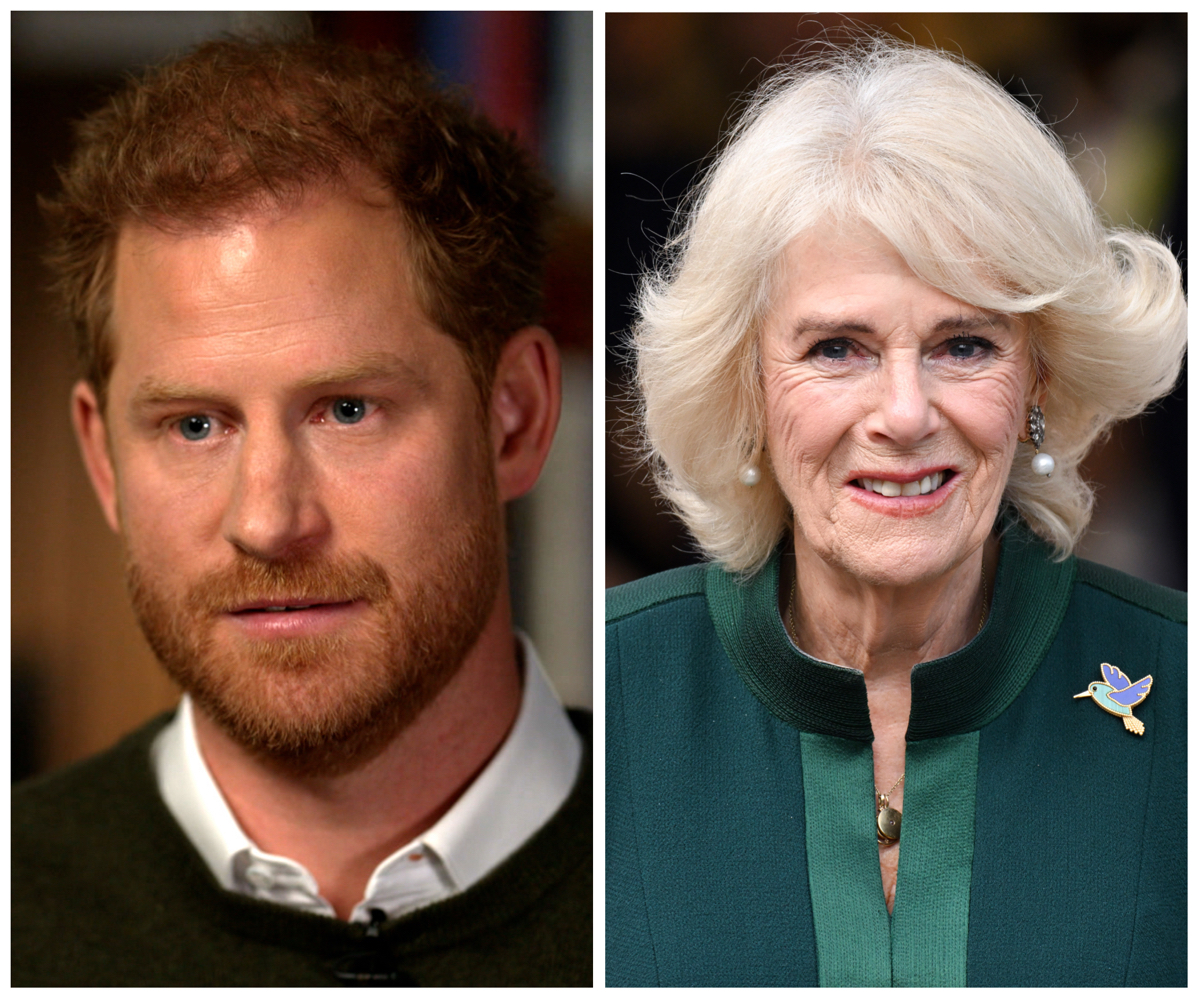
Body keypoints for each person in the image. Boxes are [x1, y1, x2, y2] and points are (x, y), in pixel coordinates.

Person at [606, 38, 1185, 988]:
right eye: (838, 348)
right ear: (747, 384)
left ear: (1041, 371)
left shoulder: (1181, 692)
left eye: (964, 344)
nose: (907, 413)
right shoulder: (608, 702)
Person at [13, 38, 590, 987]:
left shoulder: (714, 869)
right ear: (102, 461)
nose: (270, 521)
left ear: (514, 419)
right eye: (195, 424)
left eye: (348, 410)